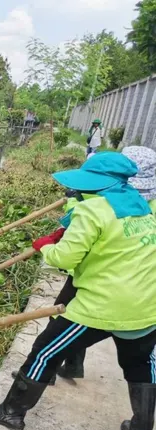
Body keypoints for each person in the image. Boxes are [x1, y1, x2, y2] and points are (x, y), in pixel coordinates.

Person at [0, 153, 156, 430]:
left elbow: (64, 259)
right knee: (140, 363)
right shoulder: (143, 209)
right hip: (146, 306)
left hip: (102, 305)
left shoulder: (93, 212)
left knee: (44, 352)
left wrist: (46, 246)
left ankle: (11, 413)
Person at [54, 145, 156, 381]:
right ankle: (72, 366)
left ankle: (47, 370)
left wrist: (71, 208)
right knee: (137, 359)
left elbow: (87, 224)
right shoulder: (141, 202)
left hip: (105, 273)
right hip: (137, 283)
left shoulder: (121, 202)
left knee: (63, 321)